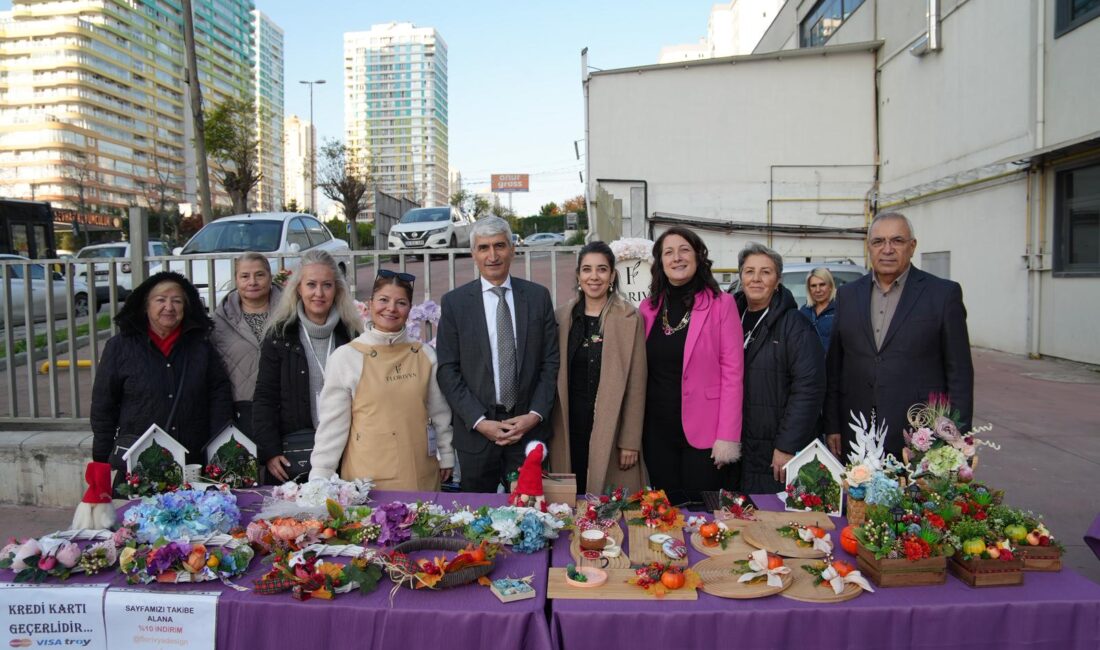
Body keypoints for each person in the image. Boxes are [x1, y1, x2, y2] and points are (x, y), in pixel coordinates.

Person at [825, 212, 974, 459]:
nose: (887, 249)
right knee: (856, 498)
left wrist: (955, 436)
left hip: (919, 433)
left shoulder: (942, 295)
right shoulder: (848, 295)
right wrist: (832, 424)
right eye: (878, 242)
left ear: (912, 246)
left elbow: (959, 373)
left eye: (897, 241)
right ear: (869, 247)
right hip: (857, 429)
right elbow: (835, 367)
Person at [436, 216, 559, 493]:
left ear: (512, 249)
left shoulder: (538, 297)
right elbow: (447, 370)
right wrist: (480, 422)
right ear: (473, 254)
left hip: (527, 431)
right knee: (475, 521)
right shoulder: (455, 304)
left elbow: (550, 363)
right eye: (483, 248)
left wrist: (534, 415)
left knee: (531, 514)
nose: (492, 256)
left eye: (499, 246)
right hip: (477, 435)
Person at [308, 271, 454, 490]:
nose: (391, 308)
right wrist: (321, 472)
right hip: (364, 478)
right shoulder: (346, 357)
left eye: (401, 302)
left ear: (409, 309)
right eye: (383, 300)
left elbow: (439, 413)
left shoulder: (425, 355)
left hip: (419, 473)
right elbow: (332, 424)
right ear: (370, 303)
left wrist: (447, 453)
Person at [90, 271, 232, 490]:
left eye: (177, 301)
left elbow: (219, 394)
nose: (169, 307)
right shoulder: (119, 347)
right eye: (161, 300)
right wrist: (101, 460)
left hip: (192, 462)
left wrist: (214, 447)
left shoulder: (201, 347)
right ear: (145, 306)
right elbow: (103, 405)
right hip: (139, 464)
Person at [638, 227, 743, 504]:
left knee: (702, 516)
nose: (677, 258)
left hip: (704, 435)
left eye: (684, 250)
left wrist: (727, 437)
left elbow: (733, 374)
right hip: (657, 434)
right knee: (664, 514)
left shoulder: (722, 304)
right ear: (660, 262)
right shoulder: (647, 309)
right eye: (668, 252)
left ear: (698, 256)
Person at [253, 249, 363, 483]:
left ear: (337, 290)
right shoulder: (280, 335)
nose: (319, 293)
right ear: (298, 288)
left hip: (347, 454)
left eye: (327, 285)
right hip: (294, 456)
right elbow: (265, 398)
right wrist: (270, 452)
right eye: (311, 284)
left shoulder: (353, 335)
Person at [548, 241, 646, 495]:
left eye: (602, 269)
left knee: (607, 506)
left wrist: (630, 441)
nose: (594, 276)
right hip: (568, 428)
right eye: (587, 269)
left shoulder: (630, 319)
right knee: (567, 501)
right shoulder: (560, 318)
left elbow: (637, 384)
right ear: (578, 275)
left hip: (610, 429)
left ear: (612, 275)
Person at [733, 243, 826, 493]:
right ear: (740, 276)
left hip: (774, 448)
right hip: (735, 444)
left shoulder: (795, 325)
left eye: (766, 272)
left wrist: (787, 445)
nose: (756, 279)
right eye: (749, 271)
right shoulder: (731, 317)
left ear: (778, 280)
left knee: (769, 518)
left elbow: (808, 388)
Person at [211, 252, 282, 437]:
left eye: (259, 274)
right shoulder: (219, 321)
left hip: (284, 409)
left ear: (270, 276)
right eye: (245, 276)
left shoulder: (291, 314)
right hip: (240, 414)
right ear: (236, 280)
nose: (252, 282)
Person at [799, 267, 836, 354]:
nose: (818, 290)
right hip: (810, 365)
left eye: (822, 284)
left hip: (834, 365)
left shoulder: (841, 309)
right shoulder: (804, 311)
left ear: (830, 286)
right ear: (809, 289)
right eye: (813, 286)